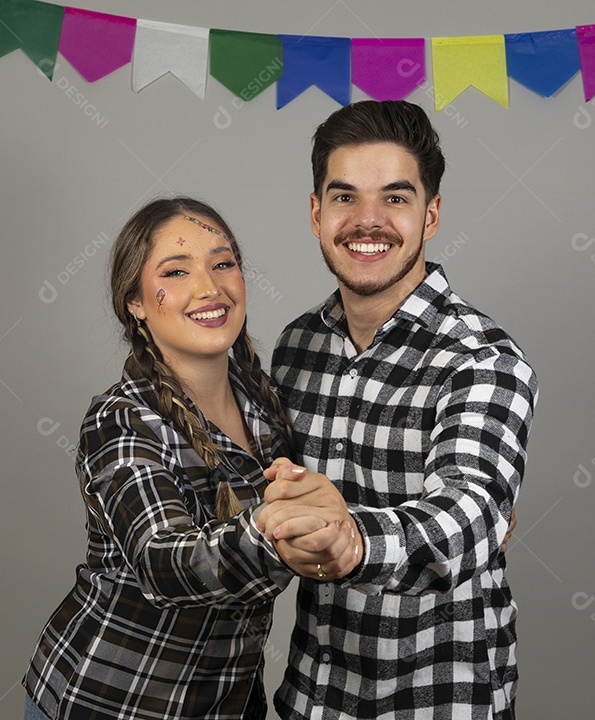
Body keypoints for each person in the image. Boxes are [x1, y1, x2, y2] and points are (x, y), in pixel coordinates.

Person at [22, 198, 358, 720]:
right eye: (176, 271)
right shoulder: (121, 420)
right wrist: (273, 534)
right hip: (110, 702)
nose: (210, 288)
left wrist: (480, 502)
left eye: (223, 264)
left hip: (225, 703)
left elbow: (340, 483)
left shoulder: (266, 404)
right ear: (134, 300)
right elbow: (163, 564)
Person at [258, 100, 537, 719]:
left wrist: (353, 542)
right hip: (313, 697)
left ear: (431, 214)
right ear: (315, 213)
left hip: (436, 700)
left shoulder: (482, 359)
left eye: (395, 198)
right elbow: (261, 490)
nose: (367, 221)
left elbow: (471, 511)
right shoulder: (296, 347)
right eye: (344, 197)